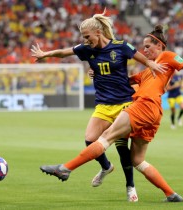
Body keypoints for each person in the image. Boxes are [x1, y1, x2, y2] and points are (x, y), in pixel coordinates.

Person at [39, 24, 183, 202]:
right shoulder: (146, 72)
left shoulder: (168, 57)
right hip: (154, 115)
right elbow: (120, 80)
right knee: (137, 160)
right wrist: (98, 72)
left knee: (105, 138)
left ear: (160, 45)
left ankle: (65, 169)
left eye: (148, 46)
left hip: (144, 106)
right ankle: (171, 194)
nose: (144, 51)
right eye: (143, 47)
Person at [31, 10, 166, 202]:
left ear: (98, 32)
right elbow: (64, 52)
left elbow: (140, 58)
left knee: (122, 148)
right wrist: (45, 54)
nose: (86, 40)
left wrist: (151, 65)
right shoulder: (87, 49)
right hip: (103, 104)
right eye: (83, 37)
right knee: (90, 139)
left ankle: (130, 187)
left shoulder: (120, 46)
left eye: (87, 37)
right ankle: (105, 167)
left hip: (124, 104)